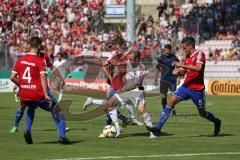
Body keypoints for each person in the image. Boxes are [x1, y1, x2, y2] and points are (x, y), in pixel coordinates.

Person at [150, 37, 221, 138]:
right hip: (186, 87)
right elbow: (184, 71)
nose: (183, 50)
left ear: (190, 46)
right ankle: (157, 129)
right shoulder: (186, 57)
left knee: (202, 112)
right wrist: (179, 71)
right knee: (170, 102)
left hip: (197, 89)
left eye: (184, 48)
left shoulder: (200, 54)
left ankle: (216, 121)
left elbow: (198, 68)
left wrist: (182, 65)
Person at [10, 37, 70, 144]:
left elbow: (12, 77)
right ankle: (62, 136)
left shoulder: (22, 59)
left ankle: (27, 130)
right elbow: (43, 77)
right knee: (58, 110)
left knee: (30, 108)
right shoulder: (40, 60)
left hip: (25, 94)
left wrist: (22, 85)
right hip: (39, 92)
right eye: (41, 46)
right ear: (38, 46)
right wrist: (46, 94)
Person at [82, 36, 143, 128]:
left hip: (124, 85)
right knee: (111, 106)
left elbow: (132, 63)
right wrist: (90, 60)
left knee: (114, 105)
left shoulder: (128, 55)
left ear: (122, 46)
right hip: (116, 85)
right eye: (115, 47)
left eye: (118, 47)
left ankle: (124, 121)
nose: (116, 49)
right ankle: (116, 124)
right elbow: (104, 65)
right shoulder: (113, 56)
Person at [106, 50, 153, 137]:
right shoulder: (129, 63)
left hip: (137, 92)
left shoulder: (141, 69)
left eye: (131, 59)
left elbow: (135, 85)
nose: (129, 61)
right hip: (127, 91)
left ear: (137, 59)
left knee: (142, 111)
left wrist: (123, 89)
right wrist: (114, 63)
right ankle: (118, 129)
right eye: (129, 59)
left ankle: (152, 132)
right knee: (110, 103)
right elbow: (122, 63)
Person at [154, 44, 180, 116]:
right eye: (165, 50)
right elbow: (157, 68)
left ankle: (173, 109)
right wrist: (156, 78)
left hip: (172, 79)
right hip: (164, 79)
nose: (167, 51)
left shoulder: (174, 57)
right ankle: (165, 111)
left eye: (168, 50)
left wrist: (178, 77)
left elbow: (178, 67)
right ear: (164, 50)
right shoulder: (161, 58)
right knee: (163, 96)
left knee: (173, 96)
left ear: (170, 50)